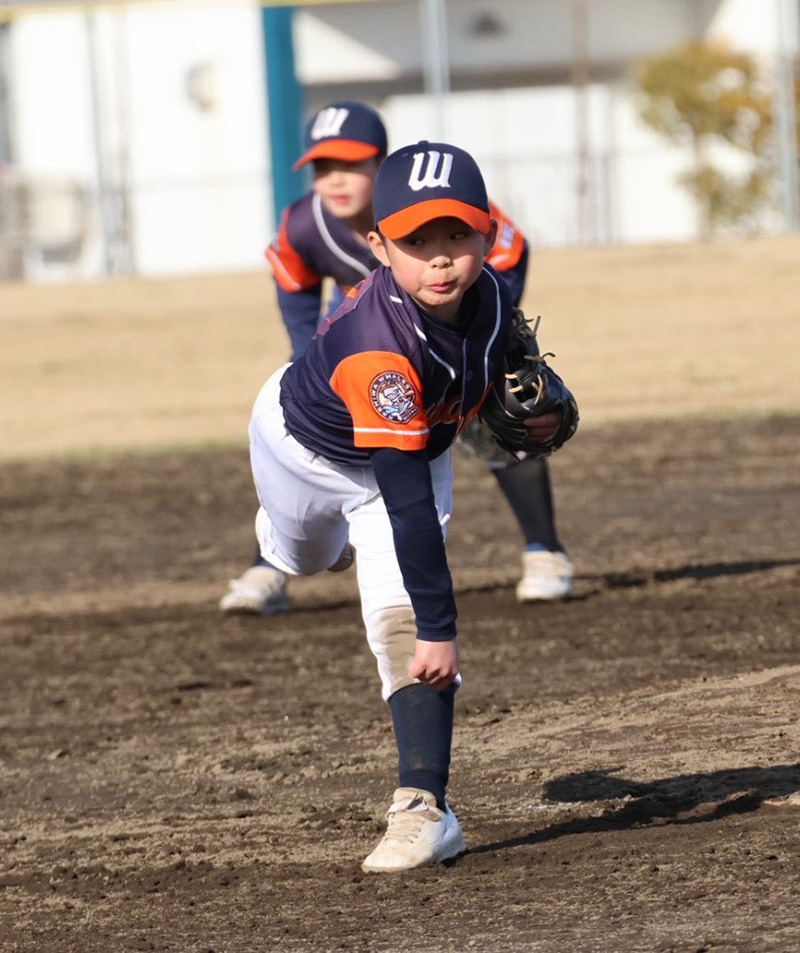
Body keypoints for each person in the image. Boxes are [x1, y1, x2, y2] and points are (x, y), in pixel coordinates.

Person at [244, 140, 570, 871]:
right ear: (377, 245)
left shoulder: (490, 299)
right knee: (304, 555)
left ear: (488, 232)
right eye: (416, 241)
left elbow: (482, 386)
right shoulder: (378, 347)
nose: (442, 258)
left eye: (457, 234)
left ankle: (422, 807)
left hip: (413, 451)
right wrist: (444, 626)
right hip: (302, 450)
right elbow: (405, 505)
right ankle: (283, 540)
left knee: (399, 627)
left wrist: (533, 406)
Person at [219, 101, 572, 615]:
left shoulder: (442, 199)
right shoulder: (304, 225)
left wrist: (486, 342)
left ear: (381, 163)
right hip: (369, 349)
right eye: (321, 167)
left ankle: (545, 551)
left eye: (350, 164)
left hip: (452, 336)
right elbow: (294, 286)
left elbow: (510, 251)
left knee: (502, 415)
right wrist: (308, 355)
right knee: (311, 436)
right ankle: (271, 563)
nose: (334, 180)